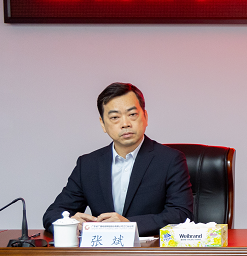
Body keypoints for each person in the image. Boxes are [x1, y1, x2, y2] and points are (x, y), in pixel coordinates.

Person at [42, 82, 193, 235]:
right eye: (115, 117)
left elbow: (181, 214)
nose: (125, 124)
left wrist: (129, 225)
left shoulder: (170, 160)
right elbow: (53, 214)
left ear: (145, 117)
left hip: (149, 248)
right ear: (103, 124)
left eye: (132, 114)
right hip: (104, 249)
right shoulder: (88, 165)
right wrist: (70, 223)